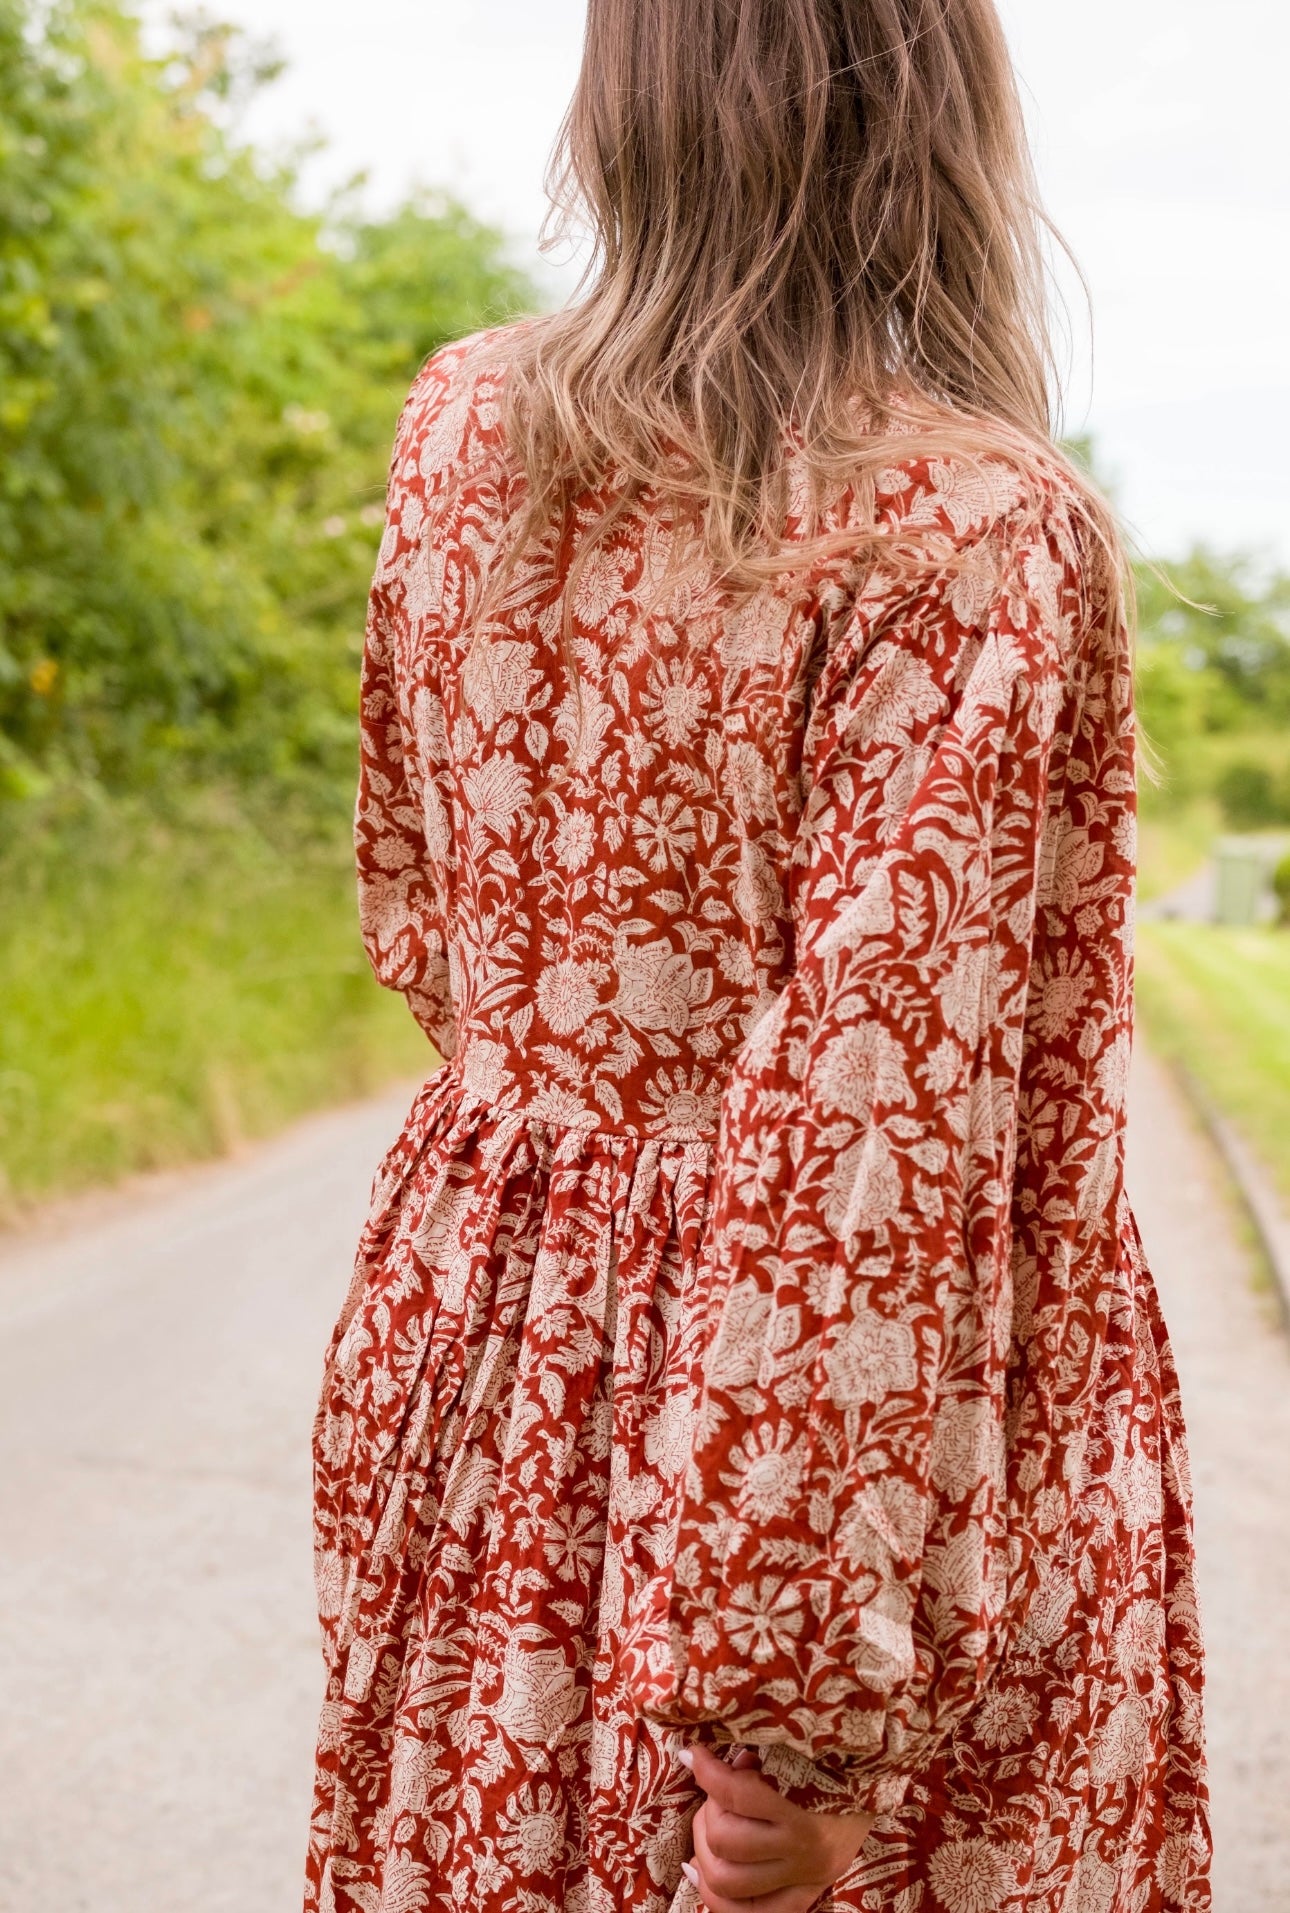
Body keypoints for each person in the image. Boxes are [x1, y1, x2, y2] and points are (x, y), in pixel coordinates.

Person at [305, 2, 1211, 1908]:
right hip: (820, 1490)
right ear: (932, 109)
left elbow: (418, 912)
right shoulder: (969, 525)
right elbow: (861, 1154)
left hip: (488, 1356)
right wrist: (787, 1719)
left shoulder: (465, 430)